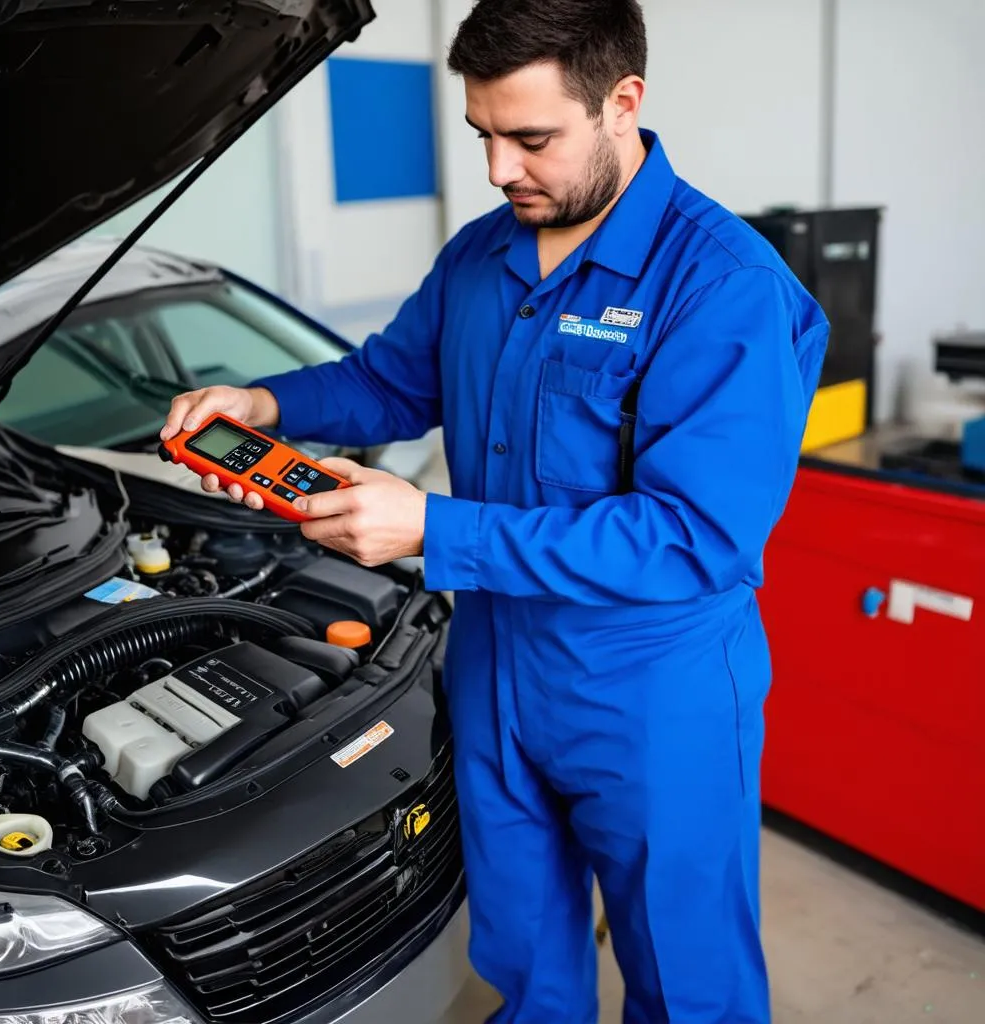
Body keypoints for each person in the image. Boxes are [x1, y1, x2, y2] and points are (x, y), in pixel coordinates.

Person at [162, 1, 829, 1020]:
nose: (499, 170)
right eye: (483, 136)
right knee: (521, 954)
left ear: (622, 103)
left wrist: (434, 530)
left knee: (687, 979)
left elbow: (693, 538)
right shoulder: (483, 254)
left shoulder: (723, 285)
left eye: (531, 139)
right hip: (494, 663)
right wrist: (265, 403)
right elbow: (390, 381)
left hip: (650, 688)